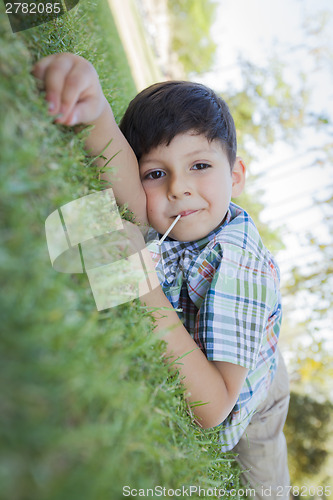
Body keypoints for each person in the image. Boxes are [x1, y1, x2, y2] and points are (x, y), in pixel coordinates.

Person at [32, 53, 290, 498]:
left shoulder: (240, 265)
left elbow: (213, 408)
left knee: (264, 484)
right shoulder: (173, 212)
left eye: (200, 166)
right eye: (157, 172)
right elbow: (130, 201)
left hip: (258, 383)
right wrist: (93, 110)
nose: (178, 187)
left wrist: (140, 284)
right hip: (211, 318)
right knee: (120, 221)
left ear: (236, 174)